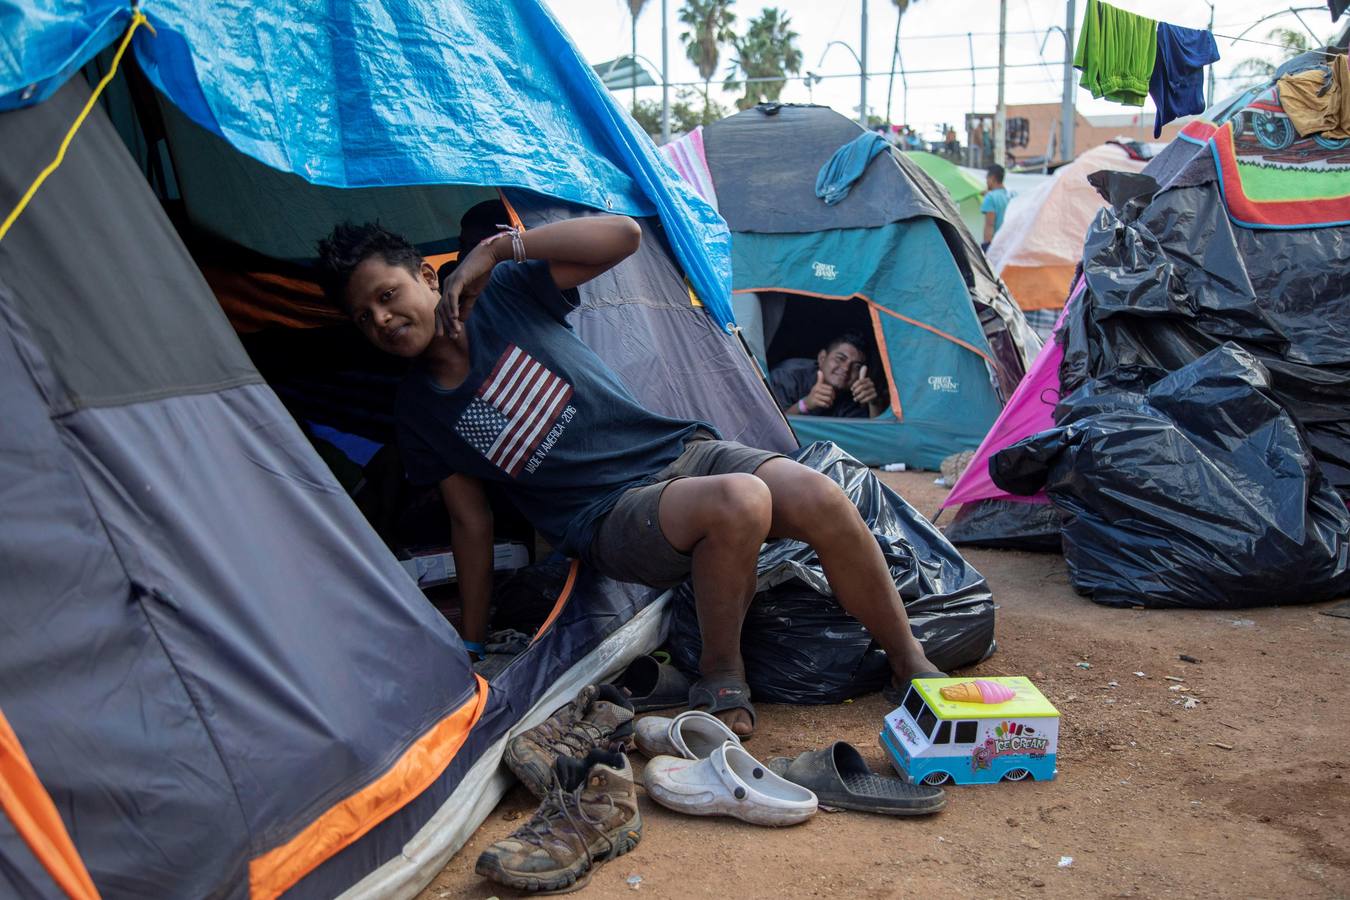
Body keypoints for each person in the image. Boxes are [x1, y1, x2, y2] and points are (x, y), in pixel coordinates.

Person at [316, 215, 942, 737]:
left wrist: (497, 249)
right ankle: (721, 672)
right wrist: (473, 646)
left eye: (388, 294)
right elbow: (470, 524)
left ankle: (908, 661)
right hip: (606, 516)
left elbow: (624, 237)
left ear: (427, 276)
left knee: (820, 495)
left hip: (674, 451)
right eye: (364, 316)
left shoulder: (503, 297)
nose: (381, 319)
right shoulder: (421, 409)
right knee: (740, 501)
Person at [769, 333, 886, 419]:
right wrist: (805, 404)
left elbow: (874, 440)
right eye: (840, 359)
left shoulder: (854, 394)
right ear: (822, 358)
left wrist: (874, 403)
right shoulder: (789, 375)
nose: (846, 368)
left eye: (856, 366)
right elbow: (766, 425)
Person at [981, 163, 1011, 251]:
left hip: (996, 246)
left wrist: (986, 246)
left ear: (992, 178)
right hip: (1011, 243)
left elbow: (990, 224)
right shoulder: (1012, 195)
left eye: (987, 178)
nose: (986, 181)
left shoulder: (990, 198)